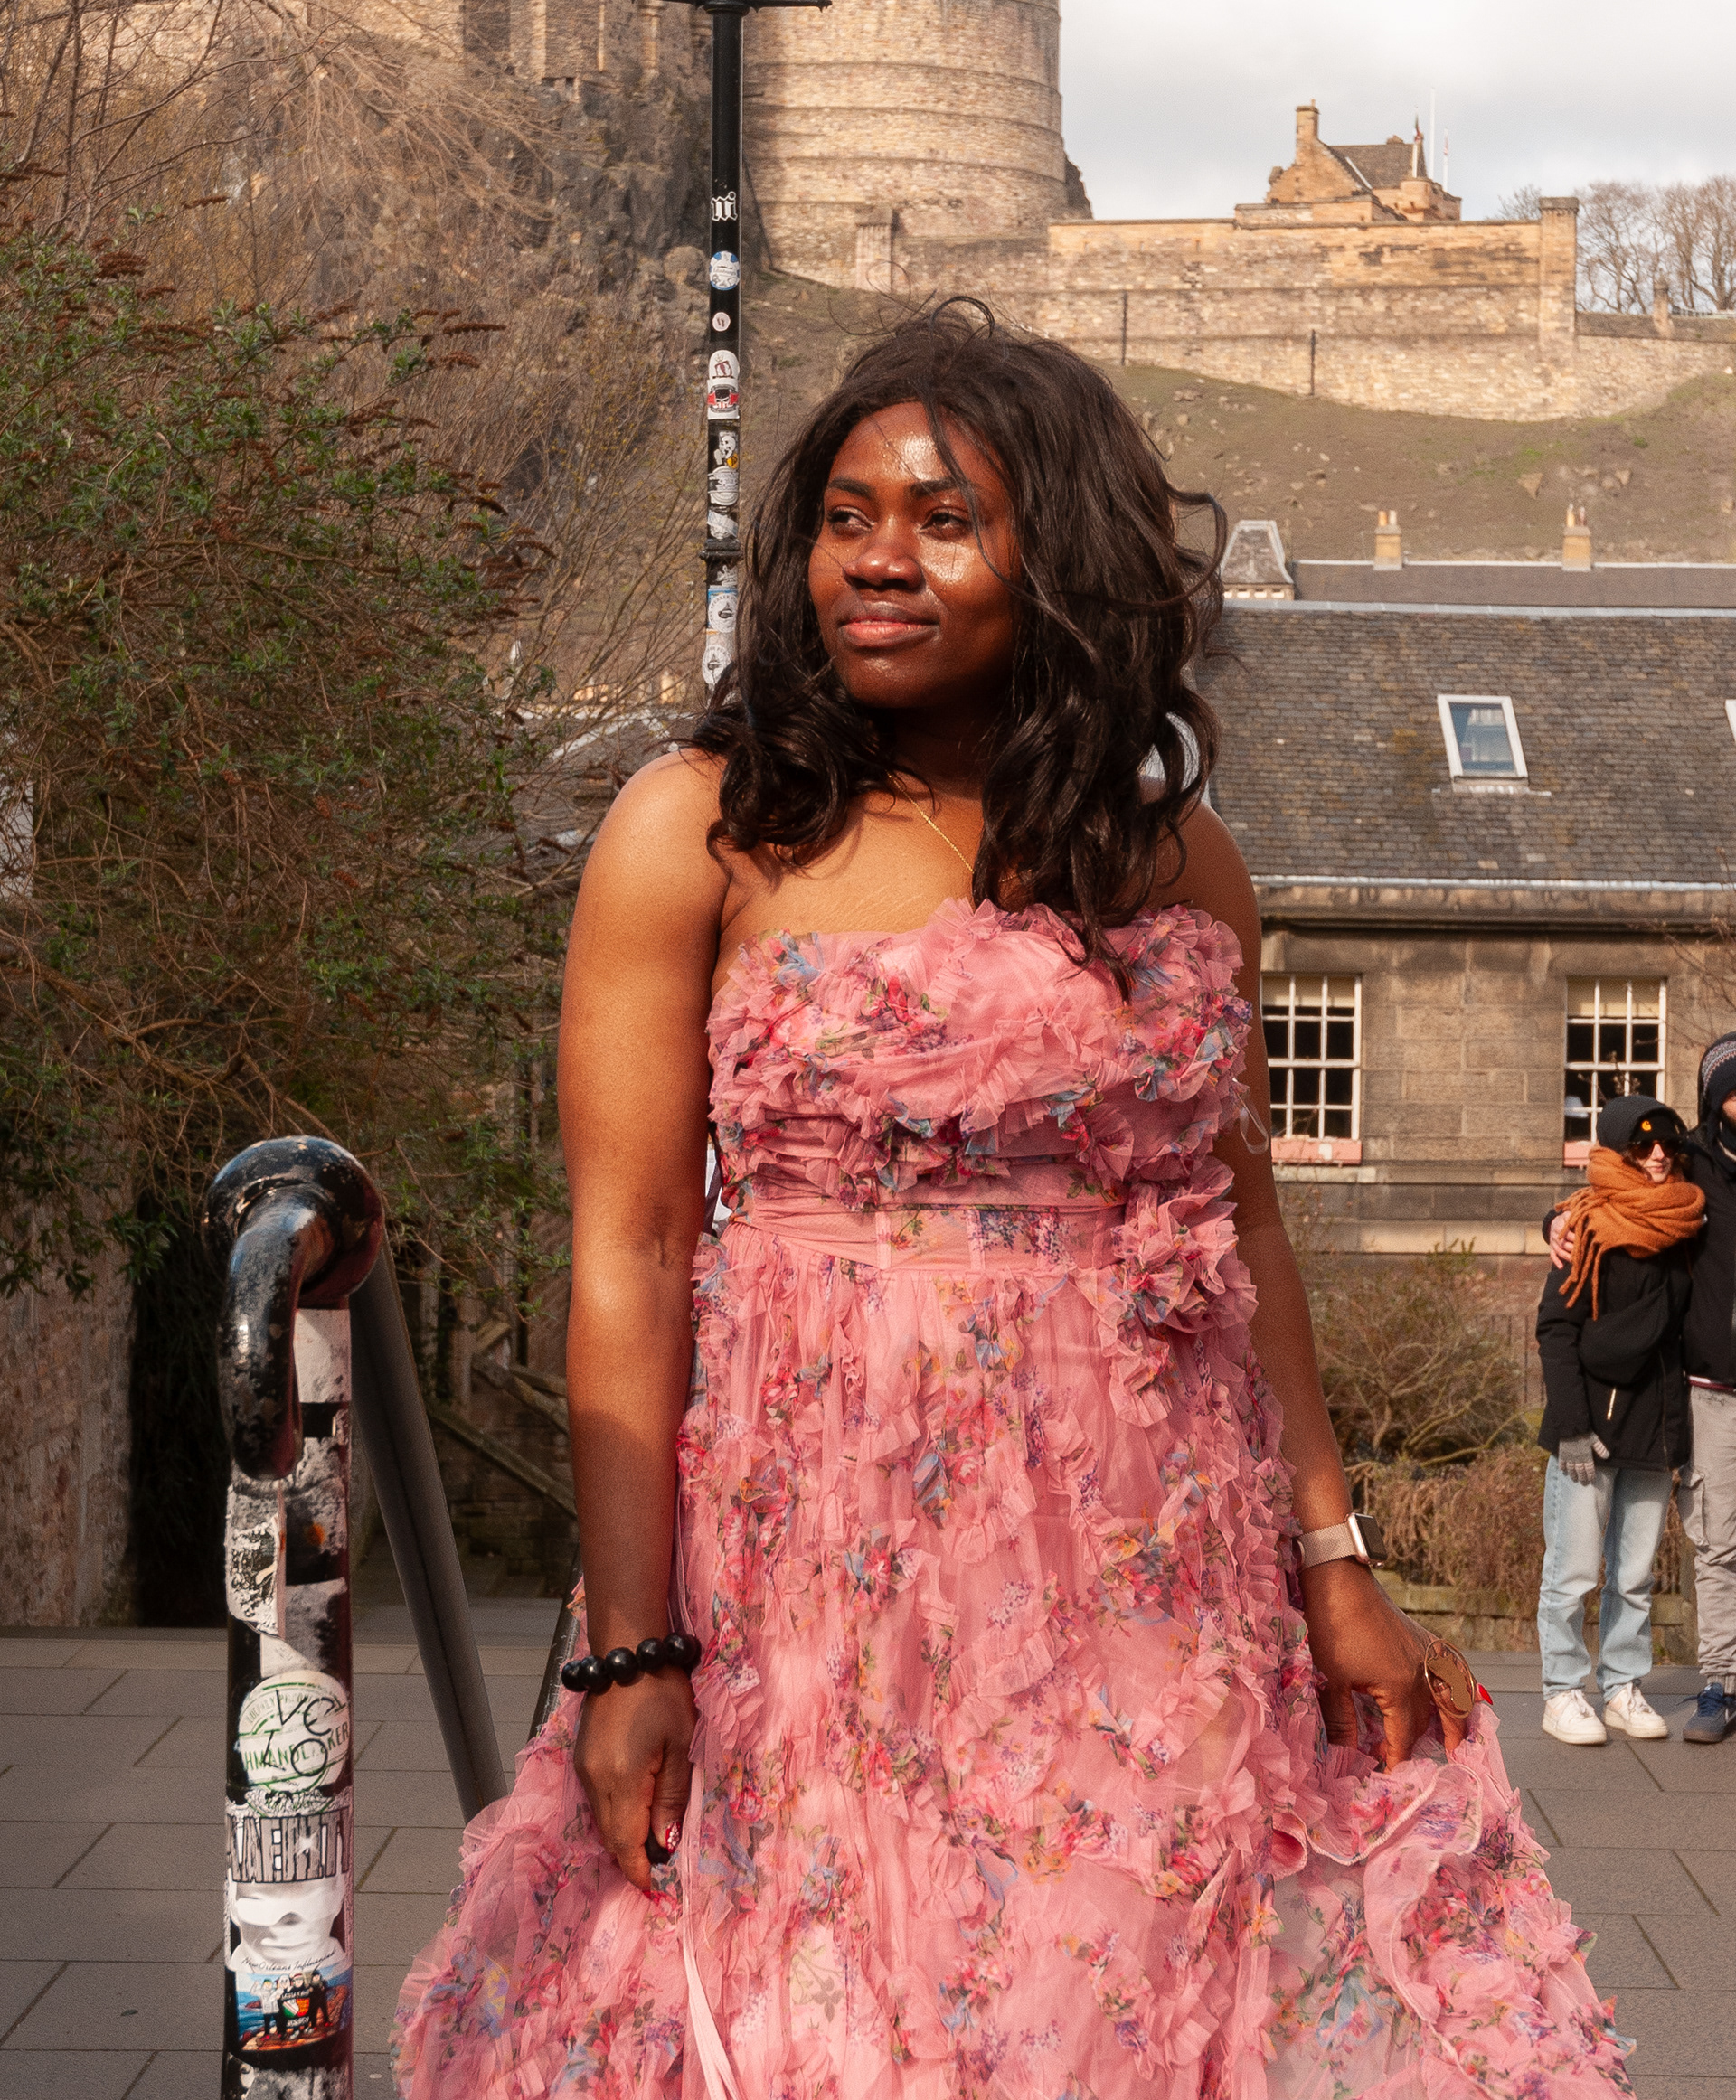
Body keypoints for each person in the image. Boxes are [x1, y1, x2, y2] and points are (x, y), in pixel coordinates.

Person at [394, 306, 1630, 2099]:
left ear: (1061, 557)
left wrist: (1336, 1566)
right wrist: (635, 1647)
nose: (876, 557)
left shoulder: (1176, 861)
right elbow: (633, 1249)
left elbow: (1239, 1233)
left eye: (942, 517)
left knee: (1126, 1998)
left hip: (1147, 1558)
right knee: (829, 2005)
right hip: (819, 1557)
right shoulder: (700, 830)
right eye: (845, 515)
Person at [1535, 1097, 1701, 1745]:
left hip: (1653, 1424)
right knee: (1572, 1570)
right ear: (1616, 1150)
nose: (1658, 1154)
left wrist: (1678, 1435)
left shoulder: (1686, 1220)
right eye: (1642, 1143)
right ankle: (1562, 1691)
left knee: (1634, 1575)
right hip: (1591, 1426)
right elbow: (1556, 1330)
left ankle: (1623, 1685)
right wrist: (1573, 1426)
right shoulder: (1587, 1227)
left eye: (1667, 1143)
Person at [1678, 1031, 1736, 1740]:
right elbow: (1614, 1195)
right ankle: (1719, 1683)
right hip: (1711, 1387)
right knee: (1719, 1542)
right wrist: (1558, 1219)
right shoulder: (1687, 1160)